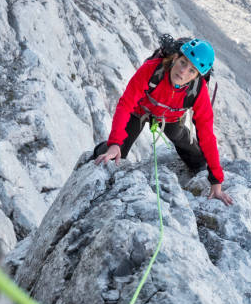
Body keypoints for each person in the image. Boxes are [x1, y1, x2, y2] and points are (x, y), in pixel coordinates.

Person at [93, 37, 234, 206]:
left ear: (197, 76)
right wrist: (115, 143)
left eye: (191, 71)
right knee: (117, 153)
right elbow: (126, 104)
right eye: (183, 63)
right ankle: (99, 152)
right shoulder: (153, 70)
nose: (183, 72)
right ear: (175, 57)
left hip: (171, 118)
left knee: (196, 158)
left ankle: (196, 161)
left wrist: (216, 180)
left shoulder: (198, 90)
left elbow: (206, 134)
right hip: (140, 111)